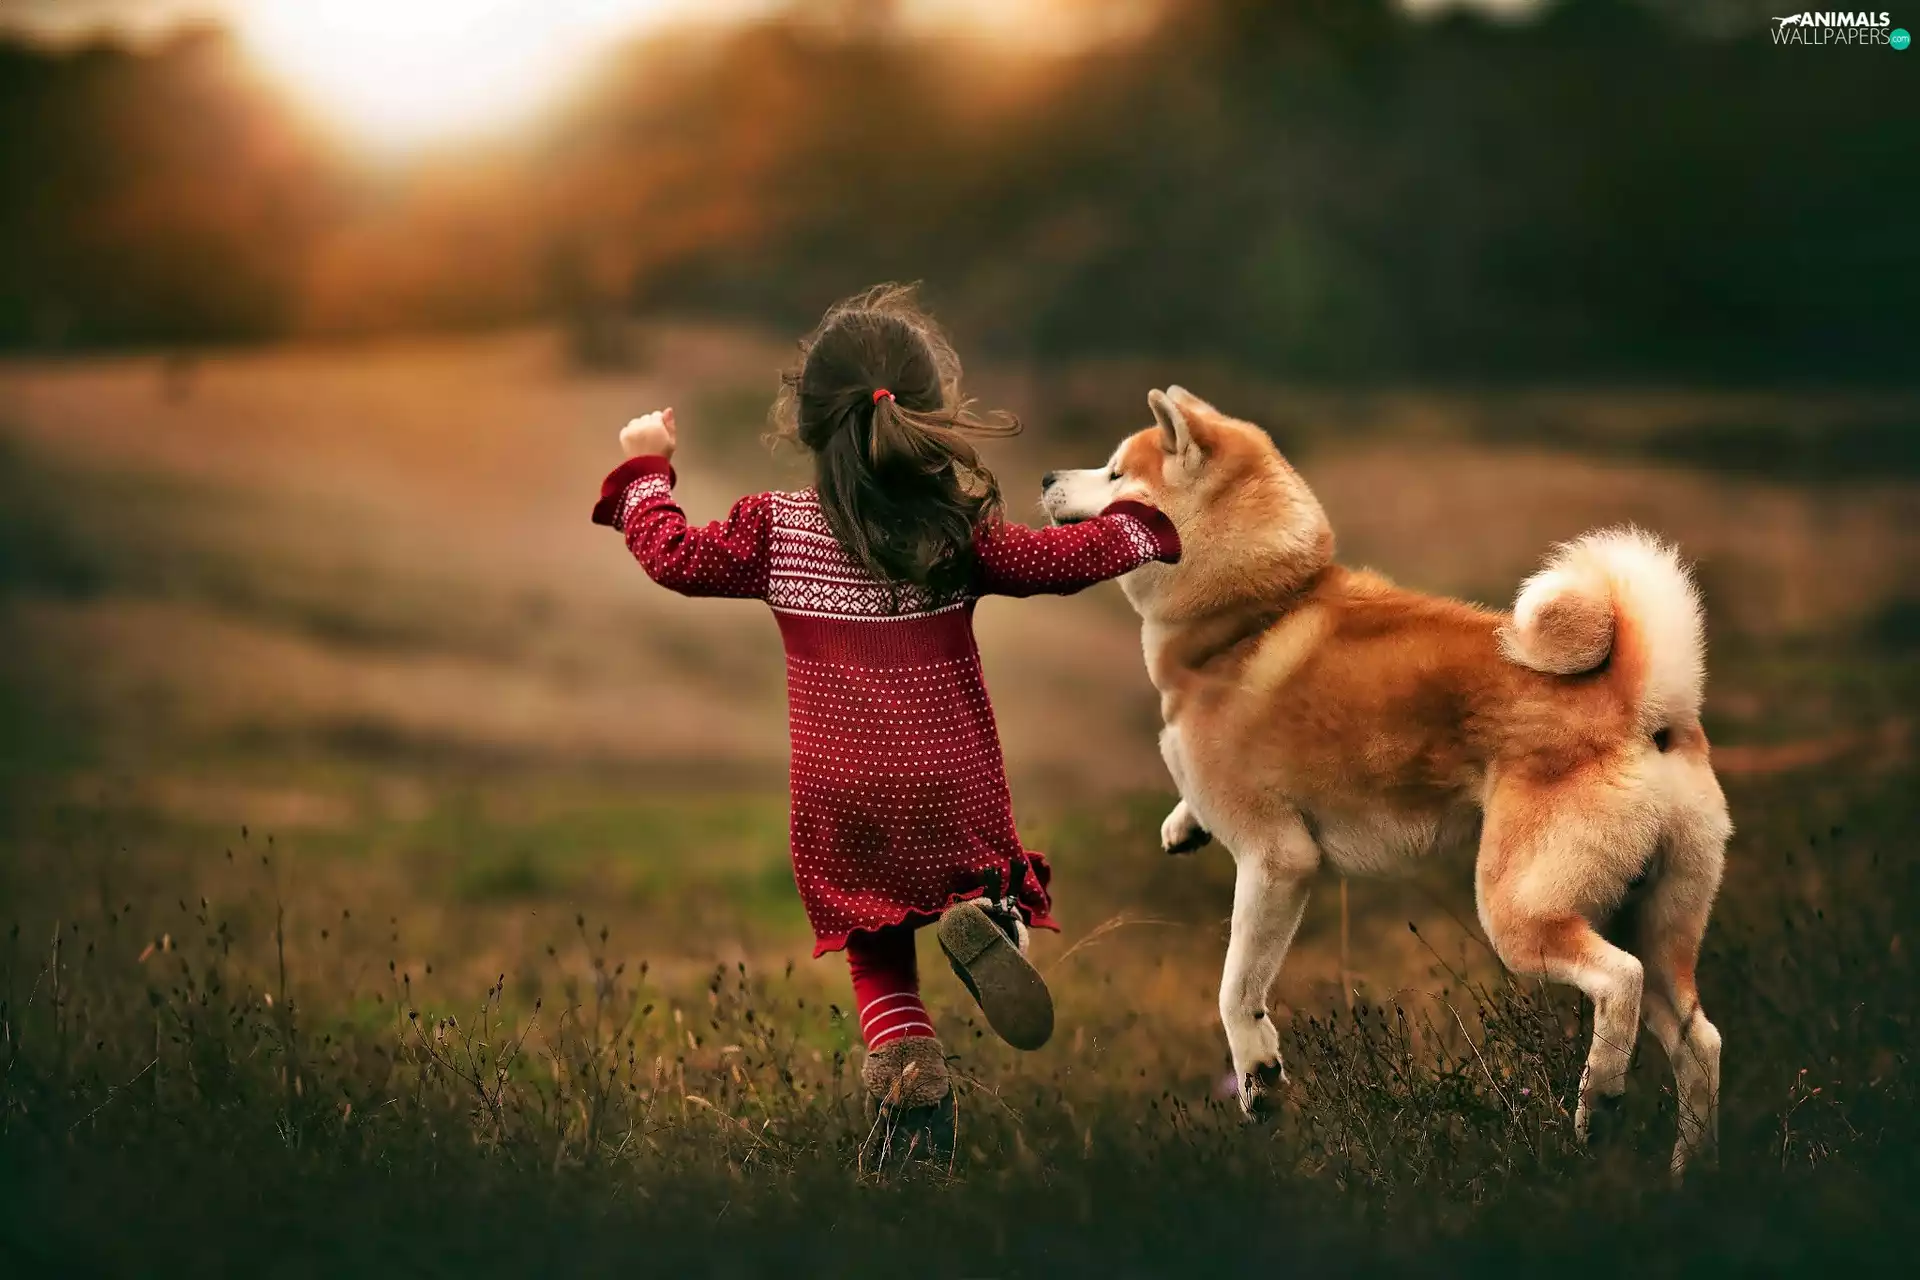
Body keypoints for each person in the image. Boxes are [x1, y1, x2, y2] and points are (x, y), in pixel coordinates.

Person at [592, 285, 1179, 1139]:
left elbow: (672, 556)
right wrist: (1139, 520)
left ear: (811, 423)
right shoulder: (954, 534)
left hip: (840, 797)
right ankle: (991, 916)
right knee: (983, 873)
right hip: (950, 781)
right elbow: (1061, 560)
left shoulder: (775, 529)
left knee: (878, 955)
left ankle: (913, 1093)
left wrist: (648, 469)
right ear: (927, 419)